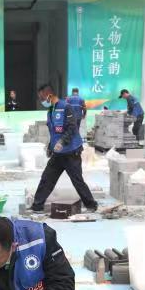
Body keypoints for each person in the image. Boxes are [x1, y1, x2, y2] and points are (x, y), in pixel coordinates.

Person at [28, 84, 98, 214]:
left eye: (42, 98)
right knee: (47, 178)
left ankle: (91, 205)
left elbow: (72, 128)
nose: (41, 101)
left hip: (71, 152)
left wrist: (62, 142)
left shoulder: (66, 107)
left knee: (77, 180)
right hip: (58, 154)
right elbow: (54, 132)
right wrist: (50, 146)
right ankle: (37, 206)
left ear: (49, 95)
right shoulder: (50, 111)